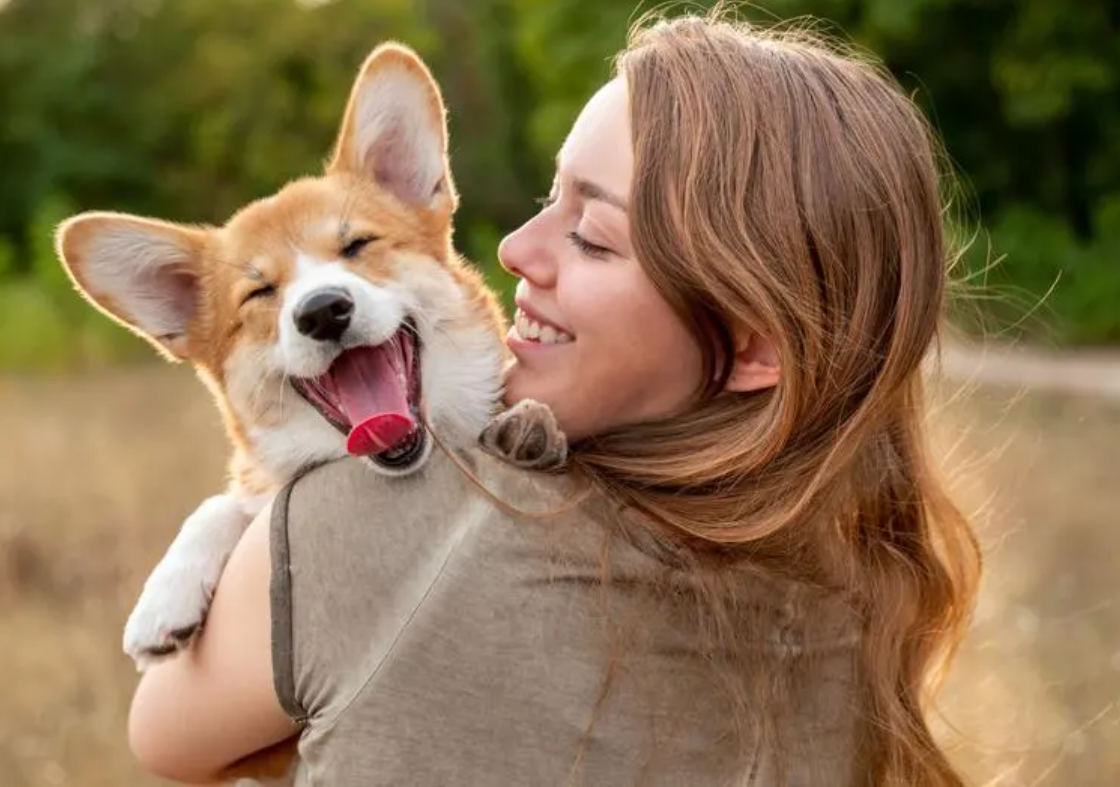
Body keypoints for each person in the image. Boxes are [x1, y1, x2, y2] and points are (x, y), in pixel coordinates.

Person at [127, 11, 980, 786]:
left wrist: (242, 529)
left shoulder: (371, 526)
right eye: (549, 196)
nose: (510, 250)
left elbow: (162, 738)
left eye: (592, 235)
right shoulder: (859, 599)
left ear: (754, 343)